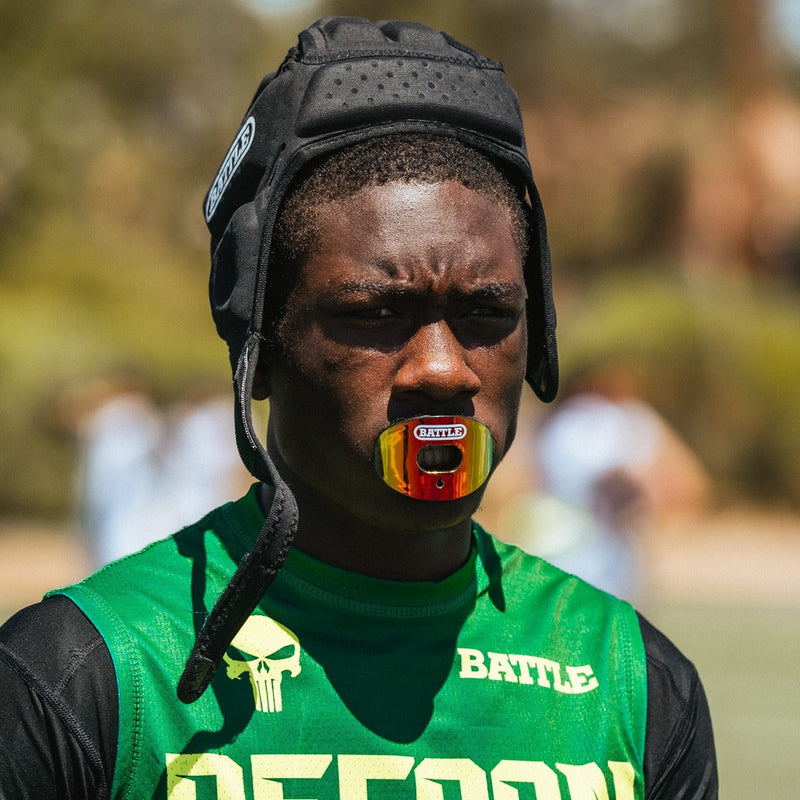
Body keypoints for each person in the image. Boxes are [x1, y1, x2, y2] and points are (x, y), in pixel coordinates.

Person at [0, 17, 717, 800]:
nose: (443, 369)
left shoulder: (633, 681)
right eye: (375, 314)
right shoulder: (86, 675)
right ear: (259, 346)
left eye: (486, 314)